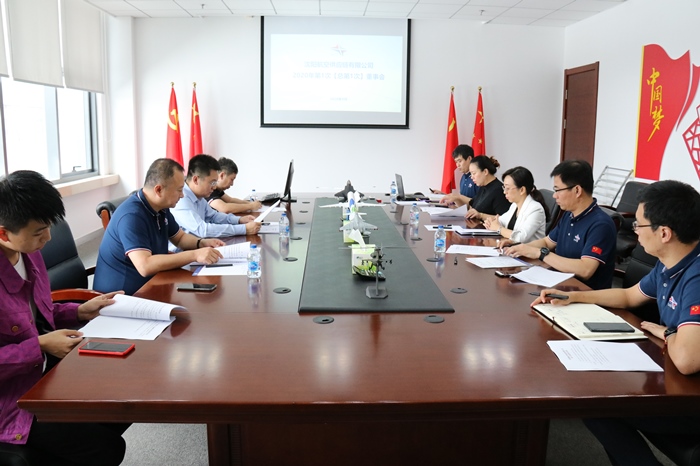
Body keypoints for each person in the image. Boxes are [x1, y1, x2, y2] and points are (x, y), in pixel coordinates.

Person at [530, 179, 700, 466]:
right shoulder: (669, 263)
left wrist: (668, 331)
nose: (635, 231)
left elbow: (687, 360)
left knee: (596, 404)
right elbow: (628, 296)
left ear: (664, 233)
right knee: (594, 397)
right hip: (675, 379)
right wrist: (574, 297)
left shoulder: (696, 275)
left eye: (640, 225)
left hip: (690, 399)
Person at [0, 170, 129, 465]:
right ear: (3, 233)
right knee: (106, 448)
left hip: (45, 373)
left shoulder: (29, 253)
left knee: (120, 404)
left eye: (49, 227)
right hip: (12, 399)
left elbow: (35, 315)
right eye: (38, 232)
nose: (47, 238)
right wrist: (40, 345)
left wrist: (79, 310)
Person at [94, 158, 225, 295]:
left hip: (152, 282)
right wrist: (194, 255)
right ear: (158, 190)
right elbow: (145, 265)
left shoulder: (161, 207)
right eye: (179, 190)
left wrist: (201, 243)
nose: (182, 195)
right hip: (121, 296)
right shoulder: (132, 216)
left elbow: (180, 238)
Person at [502, 160, 616, 290]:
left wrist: (541, 254)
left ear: (577, 190)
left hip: (585, 294)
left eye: (557, 190)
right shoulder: (569, 215)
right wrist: (518, 247)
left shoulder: (601, 225)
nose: (554, 196)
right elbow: (547, 242)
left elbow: (586, 270)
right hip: (560, 284)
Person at [170, 154, 261, 243]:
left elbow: (214, 216)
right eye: (212, 183)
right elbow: (203, 230)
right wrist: (244, 229)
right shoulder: (181, 198)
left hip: (200, 246)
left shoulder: (199, 197)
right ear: (196, 180)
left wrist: (239, 220)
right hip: (183, 251)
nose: (214, 187)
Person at [483, 166, 549, 243]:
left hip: (528, 250)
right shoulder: (514, 205)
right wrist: (491, 222)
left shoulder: (536, 209)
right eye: (504, 187)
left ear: (522, 190)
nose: (504, 192)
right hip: (513, 248)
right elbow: (501, 221)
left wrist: (498, 229)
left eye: (508, 188)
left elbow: (520, 237)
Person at [464, 155, 511, 220]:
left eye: (474, 173)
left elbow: (503, 219)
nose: (472, 177)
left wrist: (481, 215)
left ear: (485, 172)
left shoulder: (499, 190)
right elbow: (472, 205)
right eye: (471, 174)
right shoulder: (483, 186)